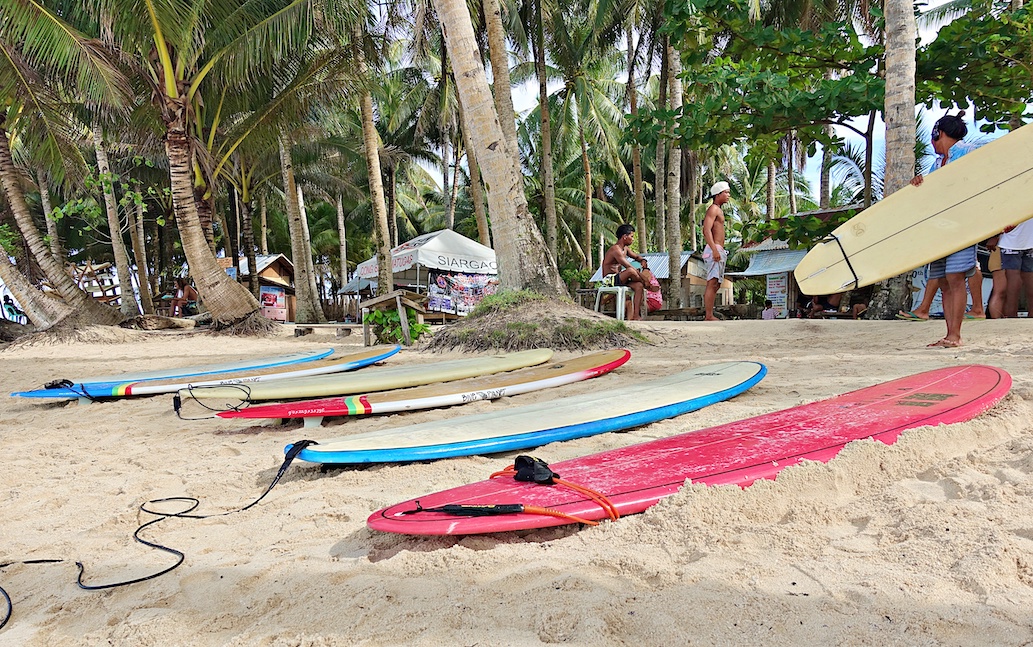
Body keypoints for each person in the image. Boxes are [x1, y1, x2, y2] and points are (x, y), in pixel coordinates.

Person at [909, 111, 982, 348]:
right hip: (941, 227)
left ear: (938, 133)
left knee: (955, 277)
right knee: (942, 279)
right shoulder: (937, 163)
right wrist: (920, 184)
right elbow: (933, 195)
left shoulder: (970, 151)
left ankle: (956, 335)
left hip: (963, 224)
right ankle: (949, 334)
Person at [600, 224, 649, 320]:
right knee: (631, 270)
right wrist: (644, 278)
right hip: (609, 280)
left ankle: (635, 315)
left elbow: (636, 257)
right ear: (625, 237)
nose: (633, 239)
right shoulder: (615, 249)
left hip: (620, 279)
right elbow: (628, 266)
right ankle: (647, 284)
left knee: (638, 286)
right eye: (632, 236)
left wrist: (643, 260)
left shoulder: (625, 249)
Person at [702, 181, 730, 321]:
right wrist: (714, 250)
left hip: (718, 249)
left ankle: (709, 314)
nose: (728, 195)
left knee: (716, 284)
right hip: (714, 249)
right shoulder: (713, 209)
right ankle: (708, 315)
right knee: (712, 282)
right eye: (726, 192)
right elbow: (706, 230)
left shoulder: (718, 209)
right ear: (718, 194)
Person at [998, 219, 1033, 317]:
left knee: (1013, 277)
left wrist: (994, 236)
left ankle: (1011, 315)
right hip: (1030, 236)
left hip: (1011, 239)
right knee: (1030, 277)